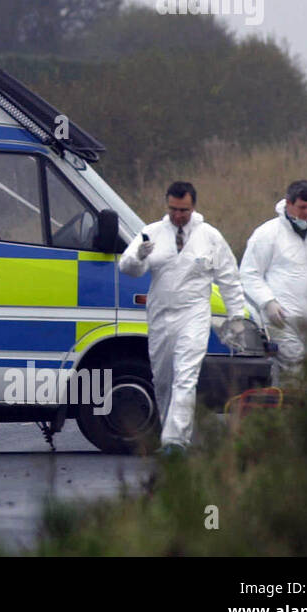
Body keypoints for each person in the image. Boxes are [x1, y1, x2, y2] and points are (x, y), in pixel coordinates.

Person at [120, 181, 246, 454]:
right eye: (174, 209)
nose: (178, 215)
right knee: (163, 378)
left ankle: (175, 441)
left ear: (194, 207)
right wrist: (138, 257)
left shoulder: (209, 236)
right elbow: (127, 268)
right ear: (167, 206)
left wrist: (236, 317)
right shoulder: (151, 233)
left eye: (184, 210)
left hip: (194, 313)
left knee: (186, 375)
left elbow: (229, 279)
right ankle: (171, 430)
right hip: (161, 315)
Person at [240, 180, 307, 385]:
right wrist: (268, 302)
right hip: (281, 319)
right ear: (288, 203)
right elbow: (249, 273)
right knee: (295, 367)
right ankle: (294, 411)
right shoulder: (268, 234)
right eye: (302, 207)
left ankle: (287, 413)